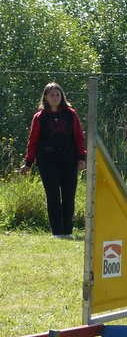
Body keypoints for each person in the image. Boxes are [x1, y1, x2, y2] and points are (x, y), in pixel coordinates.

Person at [21, 82, 87, 238]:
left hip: (68, 159)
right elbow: (33, 140)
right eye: (51, 95)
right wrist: (28, 162)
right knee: (53, 196)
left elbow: (79, 137)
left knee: (69, 195)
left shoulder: (71, 114)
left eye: (58, 94)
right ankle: (56, 232)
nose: (55, 97)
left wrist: (81, 158)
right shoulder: (39, 117)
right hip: (47, 160)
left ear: (62, 96)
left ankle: (68, 231)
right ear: (45, 97)